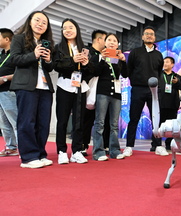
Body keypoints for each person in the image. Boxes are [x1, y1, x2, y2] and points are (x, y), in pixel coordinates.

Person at [10, 11, 55, 168]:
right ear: (29, 22)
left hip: (44, 87)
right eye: (37, 20)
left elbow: (49, 68)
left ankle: (40, 154)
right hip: (26, 85)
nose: (40, 24)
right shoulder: (19, 38)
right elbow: (14, 59)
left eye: (44, 22)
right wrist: (33, 54)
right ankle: (28, 158)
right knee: (27, 121)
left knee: (43, 122)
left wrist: (49, 60)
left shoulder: (47, 42)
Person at [122, 26, 167, 157]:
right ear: (142, 37)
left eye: (151, 34)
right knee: (134, 118)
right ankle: (129, 146)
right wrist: (136, 81)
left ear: (154, 38)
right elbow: (129, 70)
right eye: (146, 34)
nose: (149, 36)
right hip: (137, 89)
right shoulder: (135, 52)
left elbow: (159, 73)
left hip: (153, 91)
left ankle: (158, 145)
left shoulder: (158, 55)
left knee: (156, 119)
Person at [53, 18, 93, 164]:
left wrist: (86, 63)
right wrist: (72, 60)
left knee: (79, 121)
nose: (67, 30)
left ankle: (76, 150)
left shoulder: (85, 48)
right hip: (64, 86)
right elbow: (56, 66)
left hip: (80, 87)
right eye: (64, 28)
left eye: (71, 27)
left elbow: (90, 72)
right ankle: (62, 151)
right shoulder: (58, 48)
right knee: (62, 120)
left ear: (77, 30)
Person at [92, 33, 128, 161]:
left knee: (114, 125)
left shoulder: (118, 58)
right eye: (109, 40)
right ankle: (98, 151)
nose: (112, 42)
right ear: (105, 43)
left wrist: (123, 61)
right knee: (100, 123)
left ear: (118, 44)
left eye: (115, 40)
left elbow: (126, 74)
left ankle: (114, 150)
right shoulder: (98, 57)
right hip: (102, 92)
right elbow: (95, 71)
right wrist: (102, 58)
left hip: (116, 94)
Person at [82, 29, 107, 157]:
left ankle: (104, 145)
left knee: (101, 119)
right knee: (86, 118)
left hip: (103, 90)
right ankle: (82, 145)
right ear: (98, 39)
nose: (107, 42)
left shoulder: (107, 54)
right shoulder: (87, 52)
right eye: (105, 39)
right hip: (88, 89)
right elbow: (88, 70)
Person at [0, 28, 18, 157]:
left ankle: (25, 148)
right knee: (3, 123)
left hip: (9, 91)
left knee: (16, 121)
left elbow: (20, 73)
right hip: (0, 93)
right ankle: (11, 147)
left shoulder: (15, 54)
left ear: (7, 39)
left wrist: (4, 78)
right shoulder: (2, 55)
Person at [159, 56, 181, 150]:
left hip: (172, 105)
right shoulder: (159, 75)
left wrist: (177, 83)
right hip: (160, 104)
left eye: (167, 62)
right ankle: (156, 144)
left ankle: (169, 144)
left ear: (172, 64)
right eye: (164, 62)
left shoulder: (177, 77)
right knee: (158, 125)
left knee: (172, 126)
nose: (165, 64)